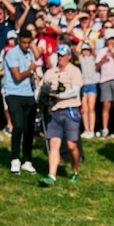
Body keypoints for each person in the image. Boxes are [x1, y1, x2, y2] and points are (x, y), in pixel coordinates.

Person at [38, 45, 83, 186]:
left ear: (69, 56)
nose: (60, 58)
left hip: (70, 110)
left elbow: (75, 91)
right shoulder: (50, 72)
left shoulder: (75, 71)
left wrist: (58, 95)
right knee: (54, 144)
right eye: (59, 55)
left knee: (71, 145)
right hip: (54, 111)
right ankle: (51, 176)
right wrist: (41, 98)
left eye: (63, 55)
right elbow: (41, 88)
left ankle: (75, 170)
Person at [3, 29, 38, 175]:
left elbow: (32, 72)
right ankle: (15, 159)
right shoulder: (12, 53)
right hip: (13, 93)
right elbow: (17, 76)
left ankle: (27, 160)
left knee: (30, 128)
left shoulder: (29, 53)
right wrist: (30, 70)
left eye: (29, 43)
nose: (26, 45)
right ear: (19, 41)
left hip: (28, 94)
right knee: (18, 126)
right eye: (24, 42)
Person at [95, 29, 114, 138]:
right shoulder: (102, 51)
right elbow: (97, 67)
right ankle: (105, 129)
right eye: (109, 39)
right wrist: (103, 58)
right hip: (105, 80)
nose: (111, 41)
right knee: (106, 105)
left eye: (113, 39)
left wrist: (113, 53)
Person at [79, 41, 100, 139]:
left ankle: (91, 129)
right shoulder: (81, 59)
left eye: (87, 50)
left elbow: (94, 51)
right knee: (84, 109)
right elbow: (76, 51)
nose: (86, 52)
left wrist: (88, 41)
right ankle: (86, 129)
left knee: (91, 107)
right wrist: (81, 41)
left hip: (92, 84)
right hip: (83, 85)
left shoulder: (93, 58)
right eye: (84, 50)